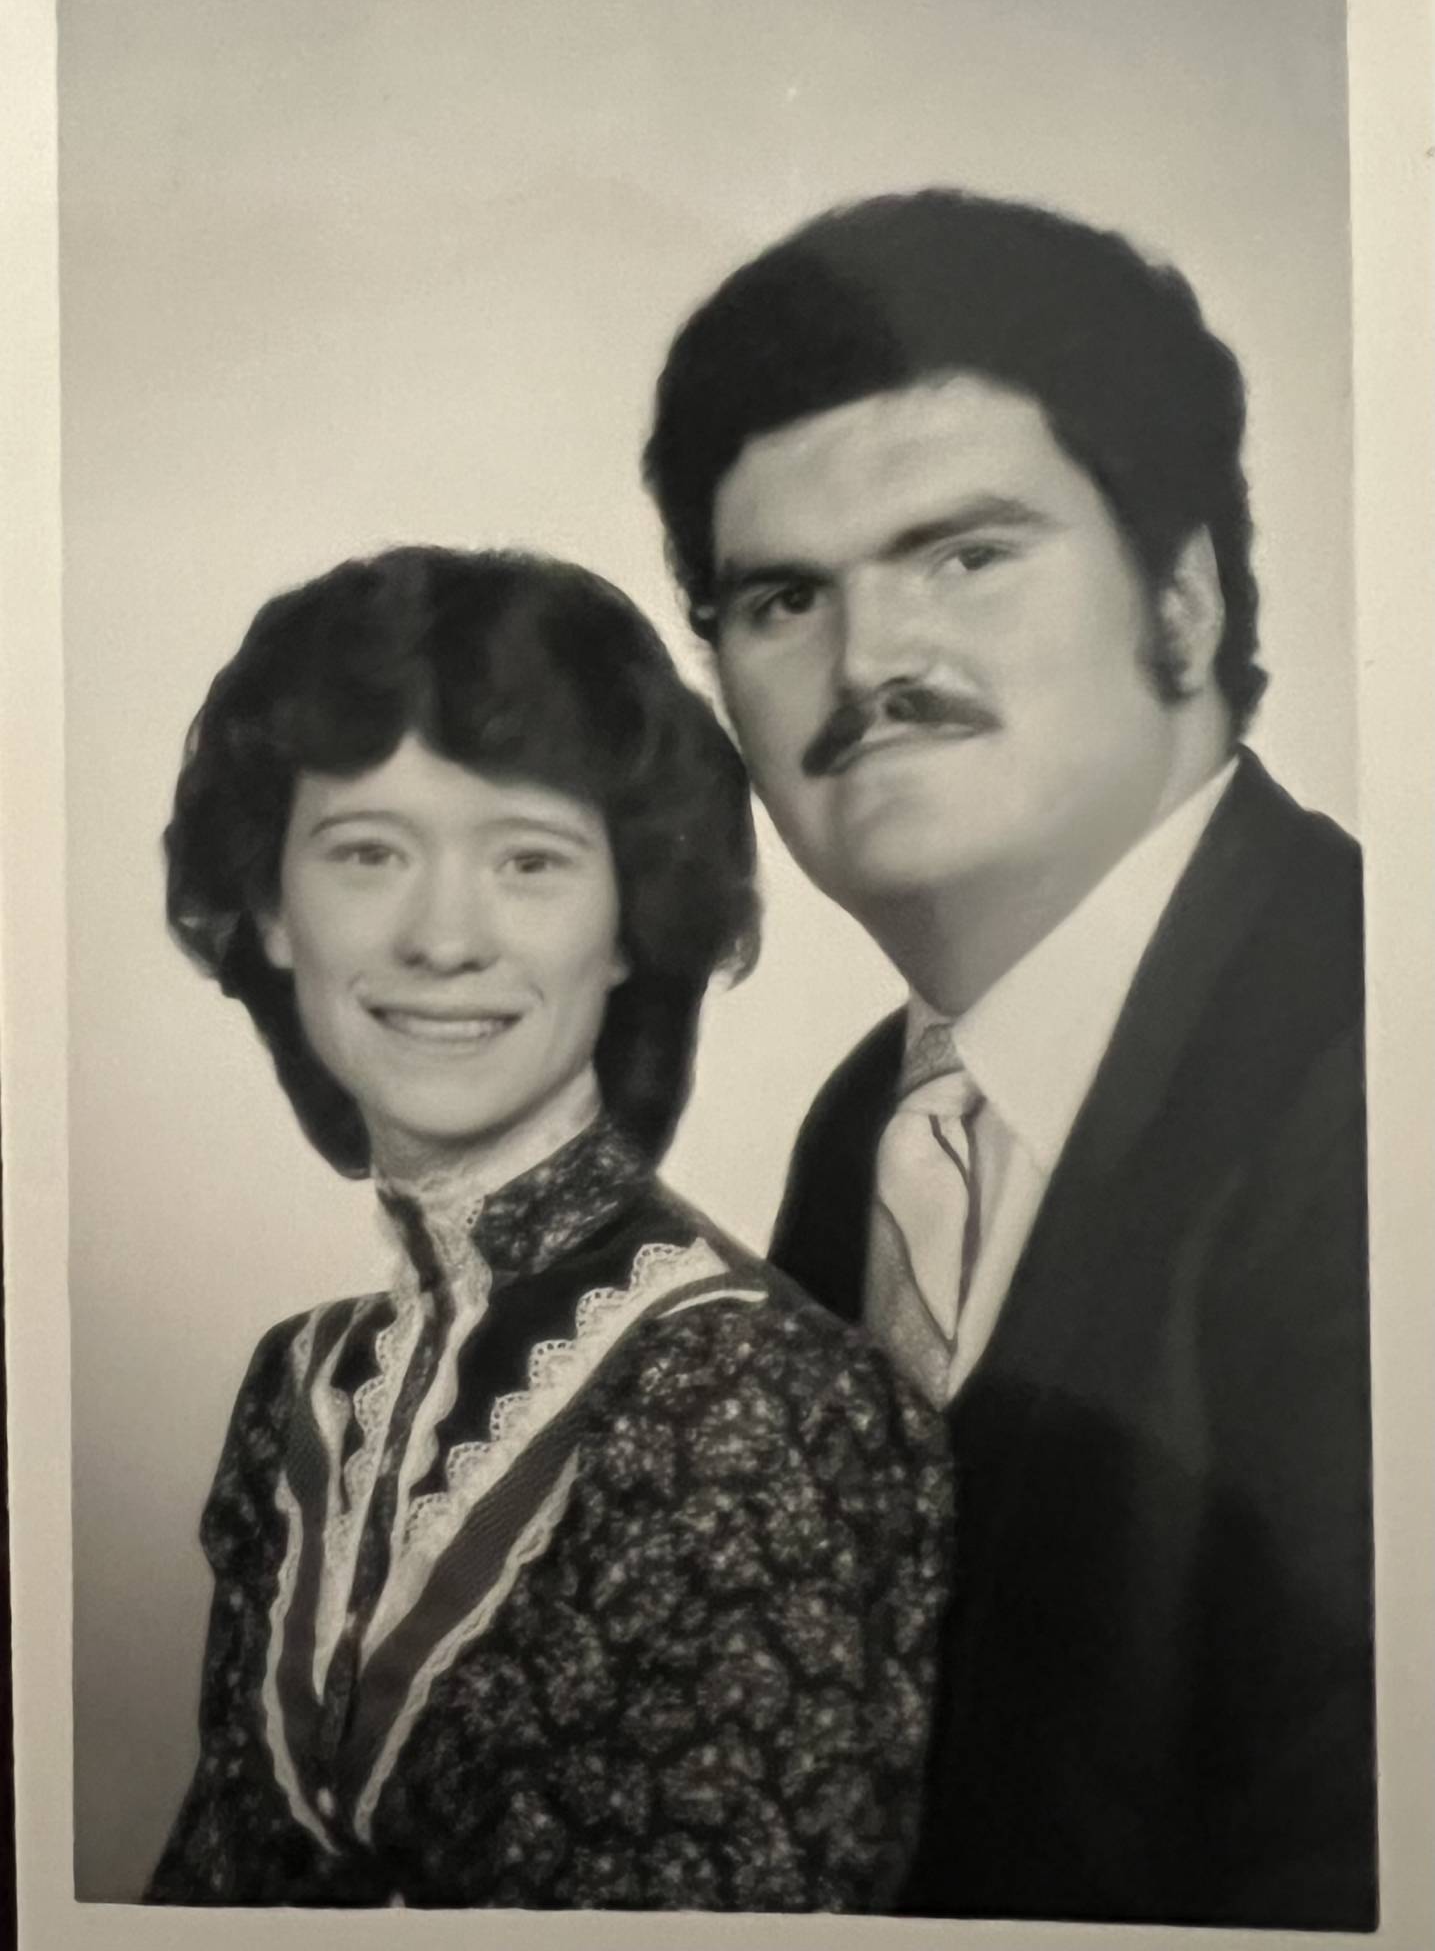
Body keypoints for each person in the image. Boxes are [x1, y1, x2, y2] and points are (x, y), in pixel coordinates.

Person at [643, 188, 1376, 1931]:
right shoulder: (864, 1127)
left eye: (964, 555)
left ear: (1181, 601)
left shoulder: (1381, 1057)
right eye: (782, 598)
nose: (870, 661)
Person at [144, 544, 952, 1911]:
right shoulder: (303, 1389)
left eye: (530, 859)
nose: (442, 937)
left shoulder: (749, 1399)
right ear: (272, 911)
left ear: (631, 921)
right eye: (367, 853)